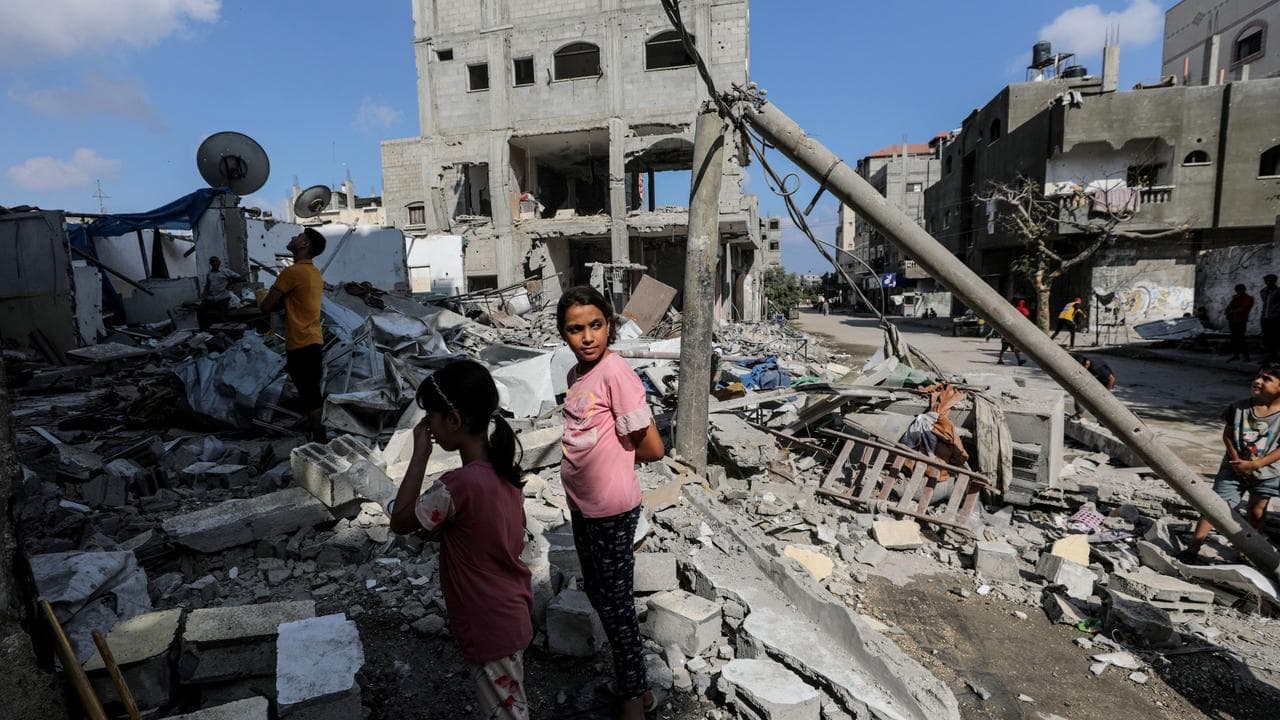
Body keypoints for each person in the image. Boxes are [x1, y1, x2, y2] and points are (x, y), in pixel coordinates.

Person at [388, 360, 532, 719]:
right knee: (507, 703)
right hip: (508, 611)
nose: (429, 428)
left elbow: (400, 520)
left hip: (488, 621)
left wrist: (420, 454)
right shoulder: (502, 472)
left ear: (453, 420)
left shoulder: (458, 486)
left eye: (431, 418)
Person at [556, 286, 665, 719]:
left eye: (596, 325)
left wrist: (615, 457)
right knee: (602, 598)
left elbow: (652, 448)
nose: (587, 337)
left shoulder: (616, 373)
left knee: (617, 608)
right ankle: (636, 688)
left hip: (612, 510)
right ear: (563, 333)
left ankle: (632, 701)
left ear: (610, 326)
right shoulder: (576, 375)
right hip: (583, 507)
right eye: (575, 329)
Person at [1181, 363, 1280, 563]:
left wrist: (1254, 465)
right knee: (1216, 507)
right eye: (1258, 376)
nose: (1258, 381)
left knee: (1256, 511)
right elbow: (1228, 434)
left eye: (1267, 379)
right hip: (1233, 468)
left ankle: (1247, 552)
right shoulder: (1239, 407)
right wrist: (1236, 460)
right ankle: (1192, 549)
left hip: (1268, 471)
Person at [259, 228, 327, 442]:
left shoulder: (292, 273)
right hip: (314, 340)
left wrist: (277, 301)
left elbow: (265, 306)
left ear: (305, 245)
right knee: (312, 391)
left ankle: (320, 440)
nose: (293, 237)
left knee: (309, 394)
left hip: (300, 343)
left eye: (299, 237)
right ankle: (317, 434)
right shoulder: (314, 273)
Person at [198, 256, 242, 329]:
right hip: (212, 298)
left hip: (223, 297)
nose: (215, 263)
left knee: (223, 316)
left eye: (216, 261)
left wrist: (230, 283)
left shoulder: (225, 271)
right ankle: (203, 329)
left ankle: (224, 330)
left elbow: (238, 277)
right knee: (200, 310)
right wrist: (203, 296)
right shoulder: (209, 274)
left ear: (219, 262)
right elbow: (207, 286)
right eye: (213, 262)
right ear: (210, 263)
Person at [996, 298, 1031, 366]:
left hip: (1009, 331)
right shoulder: (1023, 310)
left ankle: (1017, 361)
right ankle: (1016, 360)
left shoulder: (1012, 310)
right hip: (1013, 331)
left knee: (1006, 348)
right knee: (1010, 348)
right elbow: (1027, 316)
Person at [1225, 284, 1255, 362]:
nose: (1238, 292)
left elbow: (1243, 309)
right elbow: (1229, 307)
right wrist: (1228, 308)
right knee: (1234, 338)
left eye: (1240, 290)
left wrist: (1232, 311)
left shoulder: (1249, 298)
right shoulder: (1236, 298)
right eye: (1237, 290)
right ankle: (1236, 355)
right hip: (1232, 320)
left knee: (1241, 339)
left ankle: (1246, 356)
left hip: (1241, 320)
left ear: (1244, 290)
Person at [1260, 274, 1280, 360]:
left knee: (1275, 338)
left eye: (1270, 280)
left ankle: (1275, 358)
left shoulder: (1278, 291)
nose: (1267, 282)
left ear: (1274, 281)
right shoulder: (1263, 291)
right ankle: (1269, 357)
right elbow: (1265, 303)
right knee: (1266, 339)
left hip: (1275, 318)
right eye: (1266, 280)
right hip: (1265, 318)